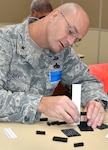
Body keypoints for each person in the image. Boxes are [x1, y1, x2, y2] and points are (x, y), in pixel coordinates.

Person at [0, 3, 108, 129]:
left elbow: (85, 80)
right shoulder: (5, 41)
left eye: (76, 40)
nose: (70, 42)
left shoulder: (64, 52)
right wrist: (40, 103)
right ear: (54, 16)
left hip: (37, 132)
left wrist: (95, 101)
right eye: (70, 31)